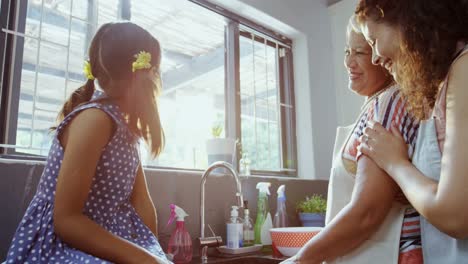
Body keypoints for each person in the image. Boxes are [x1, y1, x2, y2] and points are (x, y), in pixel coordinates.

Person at [5, 22, 171, 264]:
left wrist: (155, 254)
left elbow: (141, 202)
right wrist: (145, 260)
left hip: (106, 241)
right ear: (142, 73)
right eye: (156, 71)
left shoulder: (124, 129)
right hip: (57, 246)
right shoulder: (95, 120)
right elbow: (66, 221)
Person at [281, 16, 421, 264]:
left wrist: (302, 259)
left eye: (360, 52)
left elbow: (367, 213)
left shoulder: (387, 104)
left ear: (382, 55)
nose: (348, 62)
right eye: (347, 51)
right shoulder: (374, 107)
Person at [355, 0, 468, 262]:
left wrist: (396, 165)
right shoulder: (447, 81)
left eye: (373, 41)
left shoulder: (464, 69)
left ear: (408, 23)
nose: (374, 57)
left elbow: (455, 217)